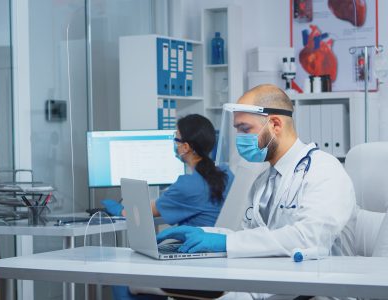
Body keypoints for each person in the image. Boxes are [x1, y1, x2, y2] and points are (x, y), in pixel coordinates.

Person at [156, 84, 357, 299]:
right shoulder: (263, 180)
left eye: (244, 129)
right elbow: (251, 239)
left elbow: (309, 239)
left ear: (275, 124)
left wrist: (225, 243)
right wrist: (207, 235)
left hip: (315, 290)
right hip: (273, 284)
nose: (239, 138)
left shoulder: (323, 169)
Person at [106, 114, 234, 300]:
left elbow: (140, 212)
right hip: (220, 261)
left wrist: (119, 210)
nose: (174, 143)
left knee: (121, 275)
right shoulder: (226, 174)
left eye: (175, 138)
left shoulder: (187, 185)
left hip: (194, 261)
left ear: (186, 147)